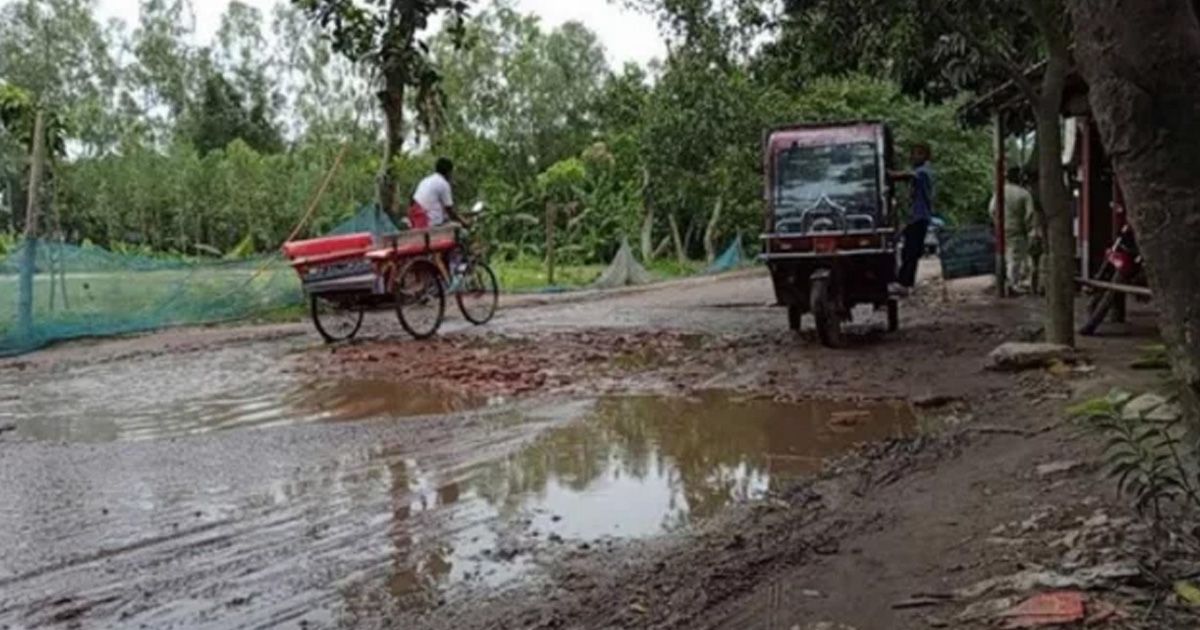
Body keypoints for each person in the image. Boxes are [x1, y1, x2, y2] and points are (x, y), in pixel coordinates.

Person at [888, 142, 935, 296]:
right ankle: (905, 283)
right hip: (916, 217)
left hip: (919, 217)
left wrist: (887, 173)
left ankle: (904, 283)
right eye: (913, 153)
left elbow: (905, 175)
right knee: (909, 251)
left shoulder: (923, 172)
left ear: (926, 156)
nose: (913, 157)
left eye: (918, 153)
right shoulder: (920, 171)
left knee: (910, 252)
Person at [989, 167, 1039, 293]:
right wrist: (1030, 230)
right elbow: (1030, 215)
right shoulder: (1024, 194)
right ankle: (1012, 285)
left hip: (1001, 228)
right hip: (1017, 229)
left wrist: (997, 222)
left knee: (1005, 255)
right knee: (1015, 257)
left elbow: (992, 209)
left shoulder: (1000, 191)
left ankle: (1005, 282)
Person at [408, 157, 469, 230]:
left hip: (419, 221)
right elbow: (451, 212)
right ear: (448, 172)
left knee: (447, 220)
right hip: (429, 223)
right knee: (458, 228)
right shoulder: (443, 184)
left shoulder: (426, 180)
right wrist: (465, 222)